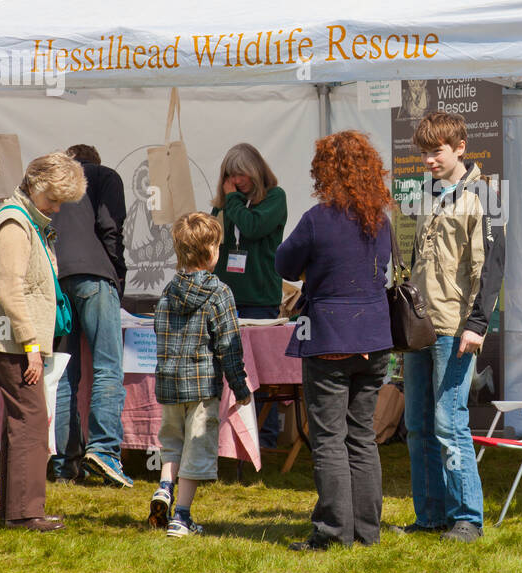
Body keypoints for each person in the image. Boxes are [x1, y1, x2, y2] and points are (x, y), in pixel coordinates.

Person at [275, 131, 393, 551]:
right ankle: (366, 532)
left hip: (330, 336)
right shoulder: (380, 219)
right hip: (376, 339)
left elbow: (284, 263)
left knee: (329, 438)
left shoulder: (317, 218)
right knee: (361, 436)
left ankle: (332, 534)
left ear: (325, 171)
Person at [399, 112, 505, 543]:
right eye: (424, 152)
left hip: (456, 328)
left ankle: (468, 518)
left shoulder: (486, 195)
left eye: (436, 150)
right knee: (418, 425)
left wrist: (477, 324)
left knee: (450, 423)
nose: (428, 159)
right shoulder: (426, 194)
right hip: (420, 327)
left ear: (460, 147)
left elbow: (492, 267)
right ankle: (431, 516)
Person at [0, 153, 87, 532]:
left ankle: (15, 511)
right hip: (13, 340)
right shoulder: (15, 224)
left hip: (12, 338)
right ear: (36, 186)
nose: (56, 208)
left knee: (21, 419)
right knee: (31, 420)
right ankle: (25, 513)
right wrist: (32, 346)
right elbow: (10, 290)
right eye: (53, 199)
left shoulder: (25, 220)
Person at [150, 212, 251, 537]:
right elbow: (229, 346)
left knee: (172, 443)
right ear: (210, 252)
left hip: (168, 383)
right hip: (203, 386)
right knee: (196, 448)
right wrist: (240, 385)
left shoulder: (167, 292)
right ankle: (181, 516)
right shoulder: (219, 293)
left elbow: (159, 334)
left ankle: (164, 486)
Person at [49, 143, 131, 487]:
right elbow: (111, 229)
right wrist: (117, 277)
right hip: (95, 277)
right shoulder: (103, 175)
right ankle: (105, 450)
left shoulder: (52, 187)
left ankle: (64, 462)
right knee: (108, 366)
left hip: (55, 279)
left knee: (65, 374)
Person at [210, 143, 287, 449]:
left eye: (241, 173)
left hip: (260, 299)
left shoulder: (275, 198)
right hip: (226, 298)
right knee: (224, 369)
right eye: (230, 174)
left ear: (255, 171)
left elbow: (253, 227)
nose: (236, 180)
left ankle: (265, 438)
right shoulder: (226, 205)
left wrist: (232, 201)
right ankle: (227, 437)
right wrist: (226, 204)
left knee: (261, 372)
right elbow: (212, 242)